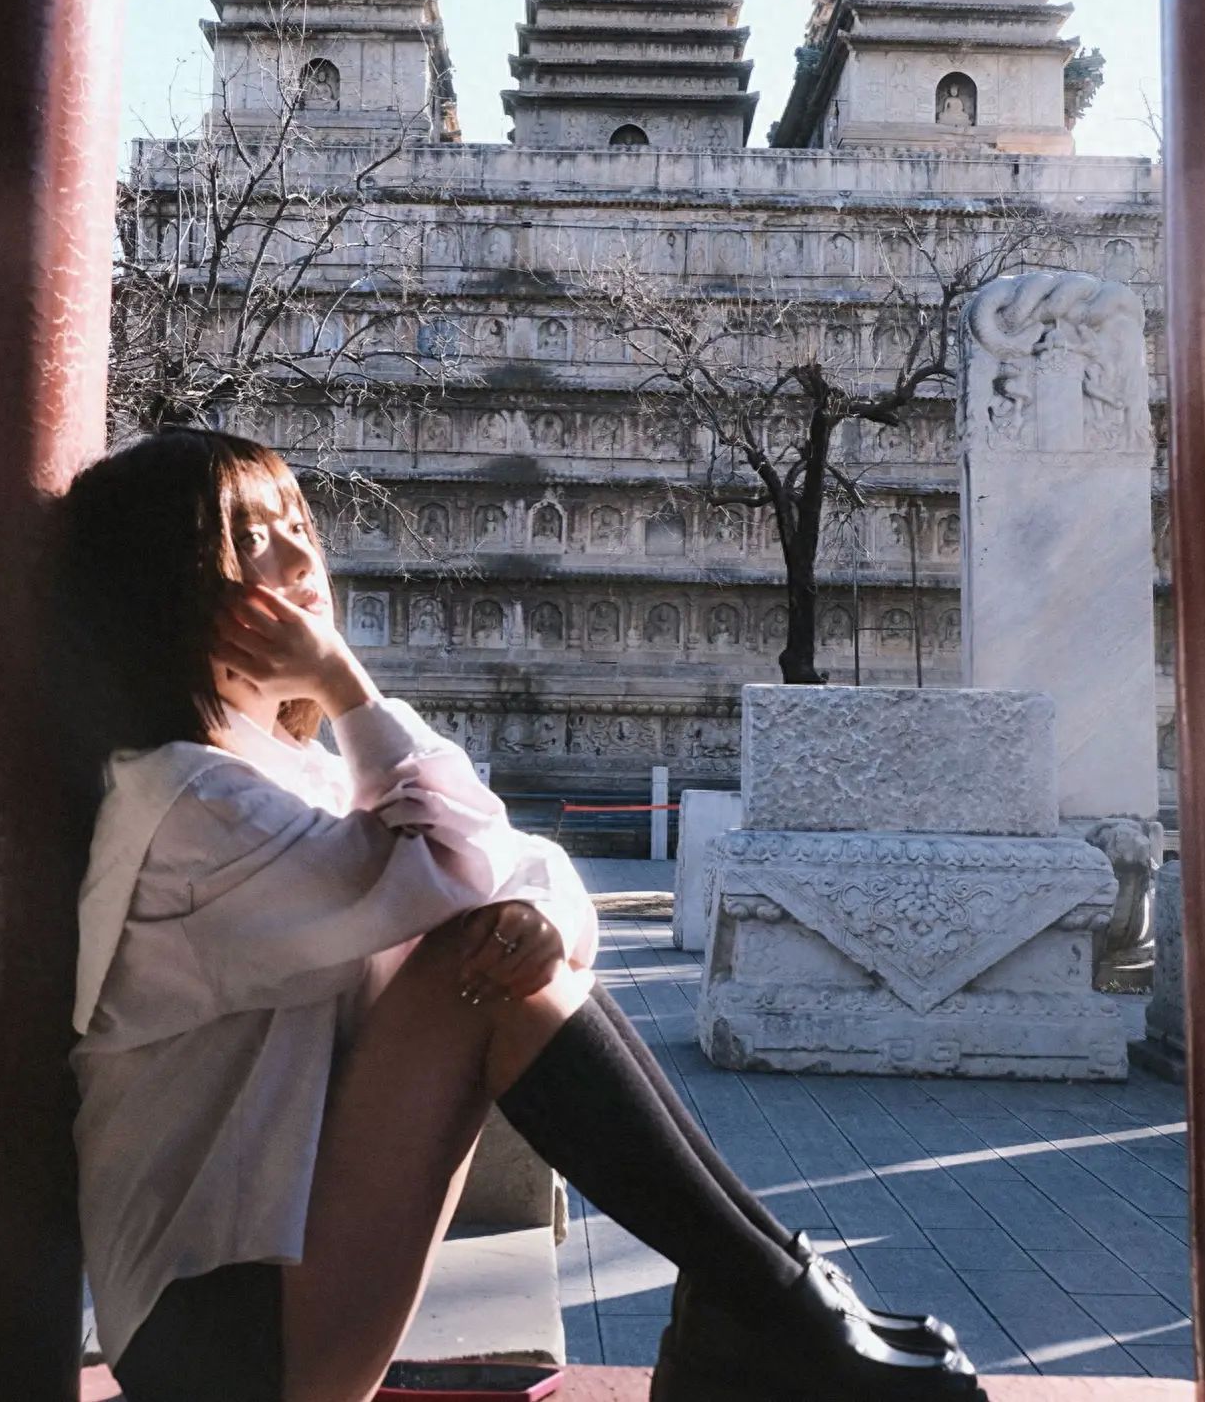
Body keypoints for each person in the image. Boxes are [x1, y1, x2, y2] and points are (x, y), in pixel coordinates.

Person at [56, 429, 979, 1402]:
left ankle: (766, 1291)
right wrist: (348, 686)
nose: (298, 560)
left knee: (494, 949)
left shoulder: (295, 777)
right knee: (476, 963)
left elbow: (525, 871)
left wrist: (529, 910)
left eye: (300, 528)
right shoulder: (186, 805)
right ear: (166, 587)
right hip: (218, 1335)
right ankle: (770, 1300)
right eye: (251, 540)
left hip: (282, 1287)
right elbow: (453, 871)